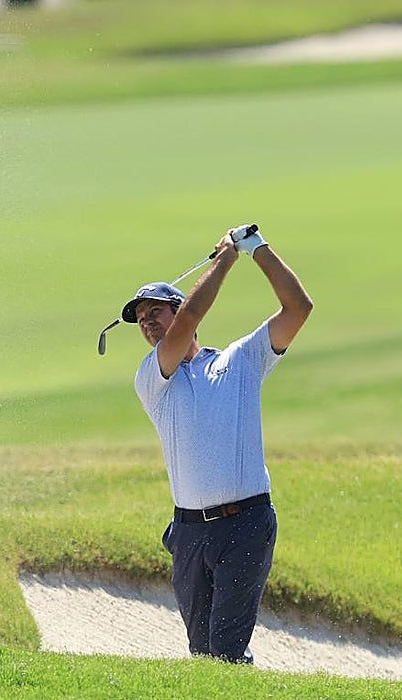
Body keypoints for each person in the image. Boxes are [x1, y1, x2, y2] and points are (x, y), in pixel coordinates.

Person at [123, 224, 313, 664]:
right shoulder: (152, 378)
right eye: (142, 320)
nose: (147, 323)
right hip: (189, 531)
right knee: (203, 653)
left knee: (226, 650)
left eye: (156, 313)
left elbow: (298, 308)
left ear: (178, 309)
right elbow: (188, 321)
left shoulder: (240, 360)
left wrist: (256, 248)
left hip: (247, 523)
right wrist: (226, 259)